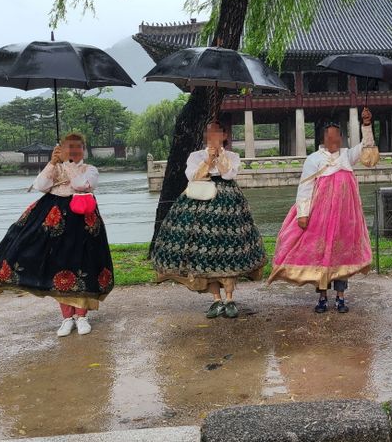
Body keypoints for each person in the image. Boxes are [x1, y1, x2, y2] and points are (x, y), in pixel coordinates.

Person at [0, 133, 114, 336]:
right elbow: (41, 186)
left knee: (82, 263)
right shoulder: (56, 166)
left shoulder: (90, 170)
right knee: (58, 265)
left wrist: (68, 164)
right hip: (55, 220)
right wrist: (52, 163)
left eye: (77, 147)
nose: (73, 151)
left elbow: (81, 185)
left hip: (82, 220)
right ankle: (66, 318)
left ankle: (82, 316)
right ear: (61, 148)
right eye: (68, 147)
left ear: (84, 149)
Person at [151, 120, 266, 319]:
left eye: (217, 132)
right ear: (205, 136)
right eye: (209, 133)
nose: (213, 136)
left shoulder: (232, 156)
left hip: (228, 206)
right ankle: (215, 299)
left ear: (224, 135)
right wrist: (208, 160)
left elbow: (229, 174)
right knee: (206, 253)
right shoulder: (196, 156)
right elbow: (192, 176)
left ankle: (229, 298)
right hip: (200, 202)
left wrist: (219, 157)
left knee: (229, 248)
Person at [268, 108, 375, 313]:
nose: (334, 140)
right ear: (324, 138)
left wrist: (367, 125)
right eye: (329, 136)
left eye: (337, 136)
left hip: (345, 217)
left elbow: (367, 148)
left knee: (340, 256)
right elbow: (305, 187)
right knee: (321, 255)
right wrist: (303, 213)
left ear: (342, 138)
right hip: (320, 217)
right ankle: (323, 297)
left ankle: (341, 297)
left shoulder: (348, 156)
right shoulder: (314, 159)